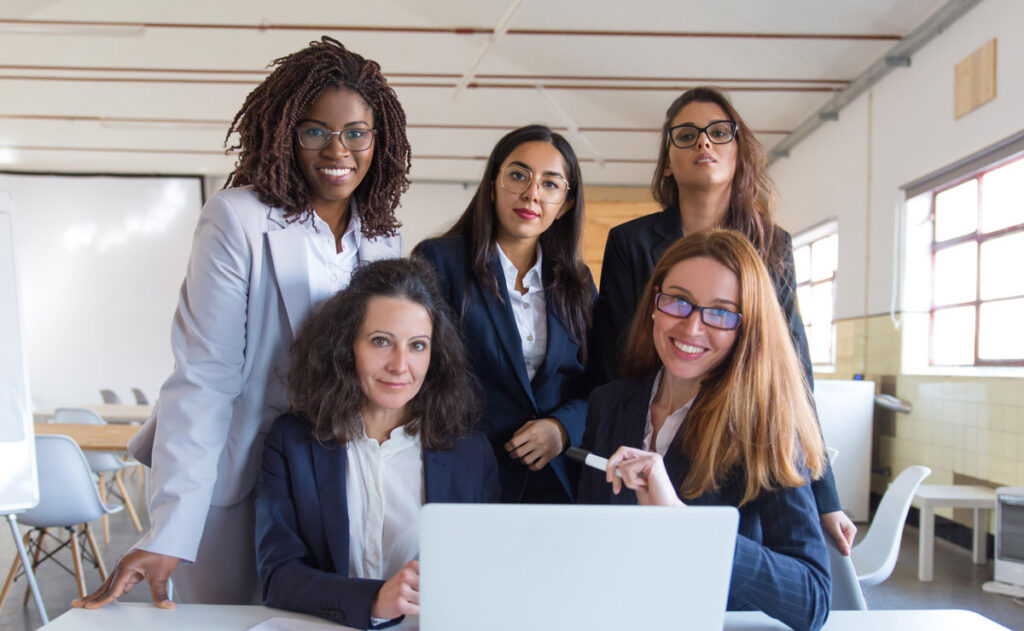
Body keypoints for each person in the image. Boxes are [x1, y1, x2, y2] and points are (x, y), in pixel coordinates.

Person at [73, 37, 411, 609]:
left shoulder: (382, 237)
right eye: (315, 131)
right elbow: (206, 377)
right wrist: (171, 528)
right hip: (236, 474)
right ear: (283, 133)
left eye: (356, 133)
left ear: (378, 140)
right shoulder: (236, 219)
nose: (339, 149)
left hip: (333, 476)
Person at [588, 86, 856, 552]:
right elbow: (614, 358)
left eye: (718, 133)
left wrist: (823, 495)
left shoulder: (771, 244)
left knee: (726, 558)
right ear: (667, 162)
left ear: (739, 151)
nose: (703, 143)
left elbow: (794, 372)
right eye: (686, 135)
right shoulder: (630, 242)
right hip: (647, 432)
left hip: (736, 434)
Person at [579, 230, 831, 631]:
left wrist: (685, 524)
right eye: (678, 302)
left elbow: (812, 599)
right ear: (655, 304)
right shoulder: (608, 403)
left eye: (720, 313)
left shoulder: (766, 428)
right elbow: (589, 541)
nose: (692, 328)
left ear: (746, 329)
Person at [254, 258, 499, 629]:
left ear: (434, 355)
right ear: (346, 345)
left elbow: (486, 574)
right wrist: (374, 600)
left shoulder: (471, 454)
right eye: (381, 341)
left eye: (417, 346)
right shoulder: (292, 442)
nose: (400, 365)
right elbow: (279, 577)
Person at [414, 125, 594, 503]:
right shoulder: (440, 261)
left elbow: (600, 382)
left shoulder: (577, 282)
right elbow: (423, 376)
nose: (531, 193)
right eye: (518, 175)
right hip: (466, 474)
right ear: (493, 184)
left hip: (556, 481)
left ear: (566, 204)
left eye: (550, 184)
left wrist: (562, 427)